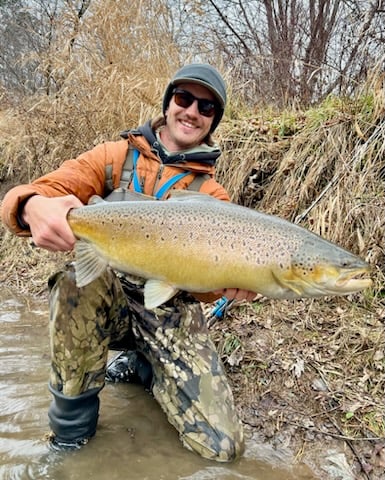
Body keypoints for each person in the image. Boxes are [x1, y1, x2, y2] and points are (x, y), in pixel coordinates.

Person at [1, 63, 255, 462]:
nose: (191, 111)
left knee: (223, 449)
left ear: (213, 121)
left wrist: (227, 284)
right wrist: (31, 206)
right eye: (184, 98)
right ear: (168, 102)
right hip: (107, 295)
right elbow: (31, 193)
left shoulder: (213, 196)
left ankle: (142, 363)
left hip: (168, 311)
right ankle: (70, 437)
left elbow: (203, 291)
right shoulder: (113, 157)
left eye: (206, 107)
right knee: (72, 284)